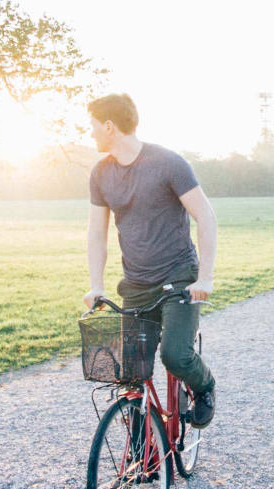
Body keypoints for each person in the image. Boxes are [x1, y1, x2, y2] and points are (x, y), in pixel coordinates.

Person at [83, 92, 217, 427]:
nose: (91, 133)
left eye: (94, 126)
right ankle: (145, 455)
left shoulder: (168, 163)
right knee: (129, 375)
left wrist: (205, 277)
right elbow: (96, 234)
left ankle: (205, 387)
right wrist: (96, 285)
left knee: (175, 355)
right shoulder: (100, 173)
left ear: (110, 126)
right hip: (136, 285)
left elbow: (206, 216)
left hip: (179, 278)